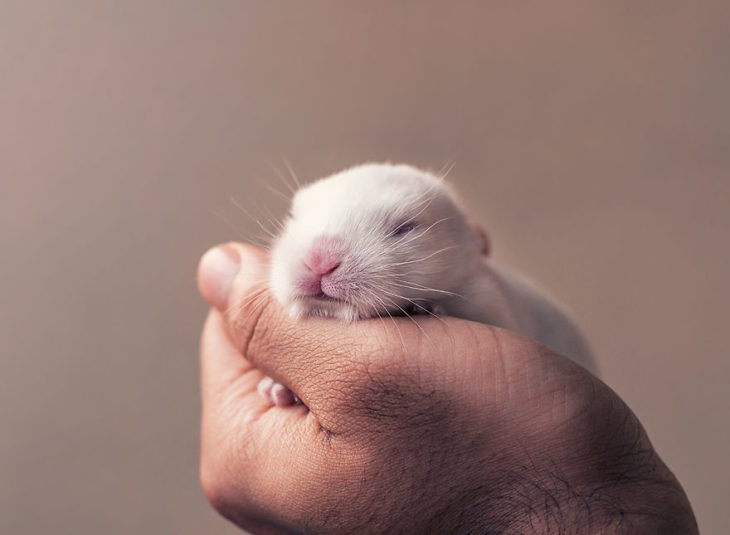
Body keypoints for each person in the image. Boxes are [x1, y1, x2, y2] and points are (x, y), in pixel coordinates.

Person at [196, 242, 698, 534]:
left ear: (469, 245)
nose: (322, 260)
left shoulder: (484, 297)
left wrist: (550, 506)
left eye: (400, 230)